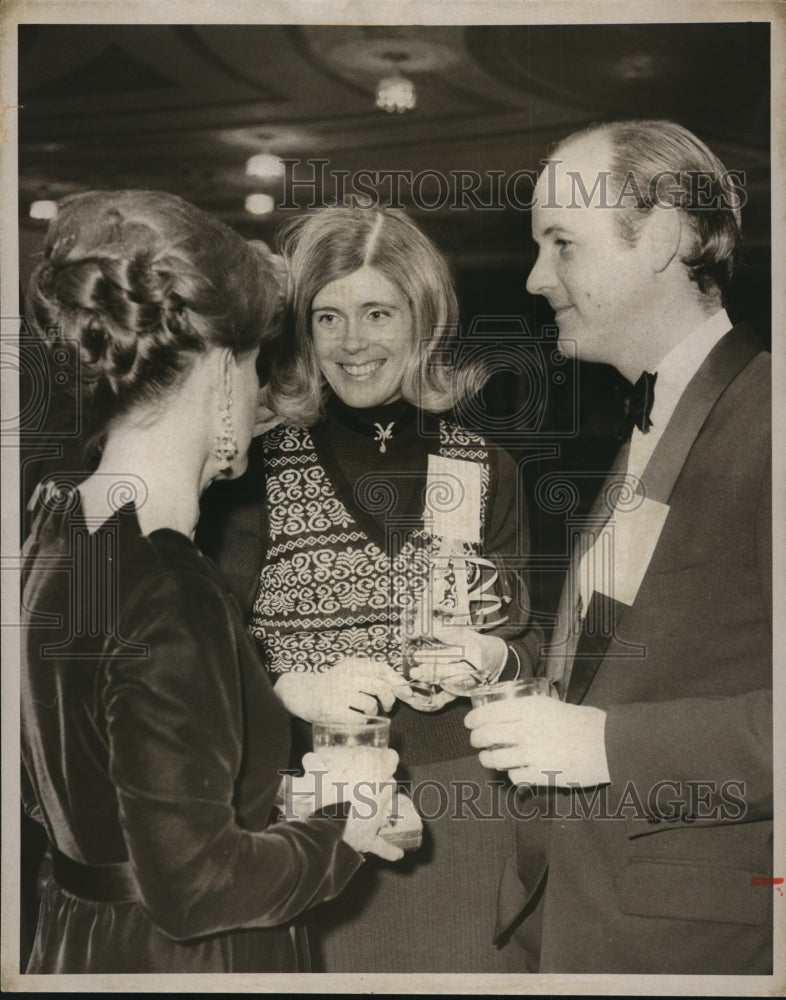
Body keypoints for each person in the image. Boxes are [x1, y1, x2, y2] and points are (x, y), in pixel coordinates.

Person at [20, 190, 403, 975]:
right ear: (222, 367)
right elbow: (198, 887)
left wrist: (284, 805)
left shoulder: (62, 525)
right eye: (259, 362)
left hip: (80, 939)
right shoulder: (168, 583)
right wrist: (346, 826)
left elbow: (95, 784)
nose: (264, 390)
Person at [465, 120, 772, 974]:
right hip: (584, 918)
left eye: (561, 243)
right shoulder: (660, 413)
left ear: (667, 235)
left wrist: (602, 746)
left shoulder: (772, 418)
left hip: (699, 940)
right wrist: (504, 670)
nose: (535, 278)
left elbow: (608, 726)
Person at [199, 206, 540, 973]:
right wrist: (294, 683)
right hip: (309, 804)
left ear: (423, 319)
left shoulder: (483, 465)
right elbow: (209, 651)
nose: (351, 343)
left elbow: (529, 644)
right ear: (303, 331)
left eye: (377, 313)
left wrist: (488, 657)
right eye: (328, 317)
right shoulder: (250, 469)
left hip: (462, 805)